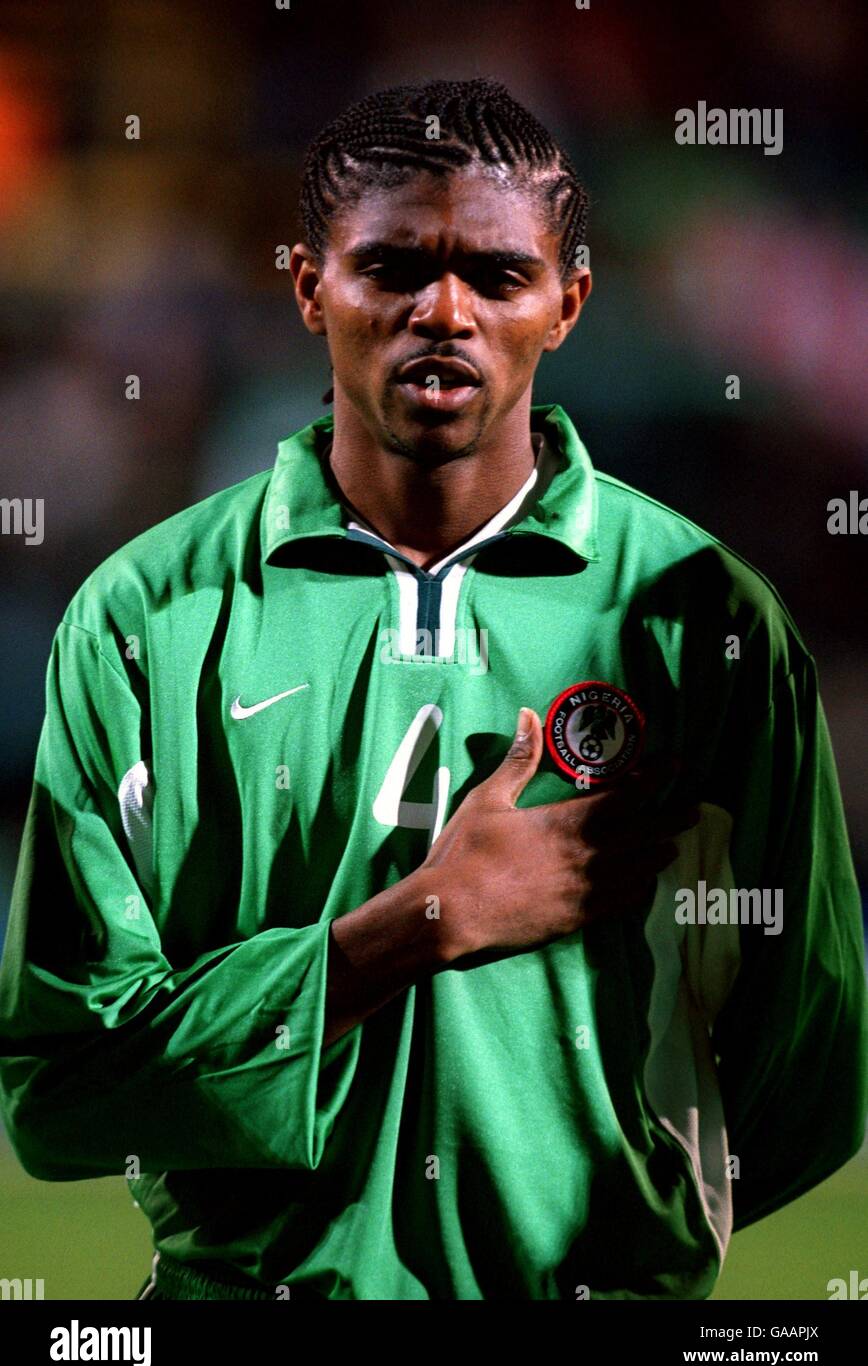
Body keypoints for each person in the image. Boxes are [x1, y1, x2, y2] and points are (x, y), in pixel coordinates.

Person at [0, 78, 865, 1302]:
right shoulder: (147, 617)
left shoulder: (708, 623)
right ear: (310, 285)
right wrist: (421, 924)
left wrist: (613, 1252)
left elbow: (810, 1073)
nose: (442, 312)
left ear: (567, 302)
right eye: (394, 267)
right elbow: (63, 1090)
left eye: (498, 277)